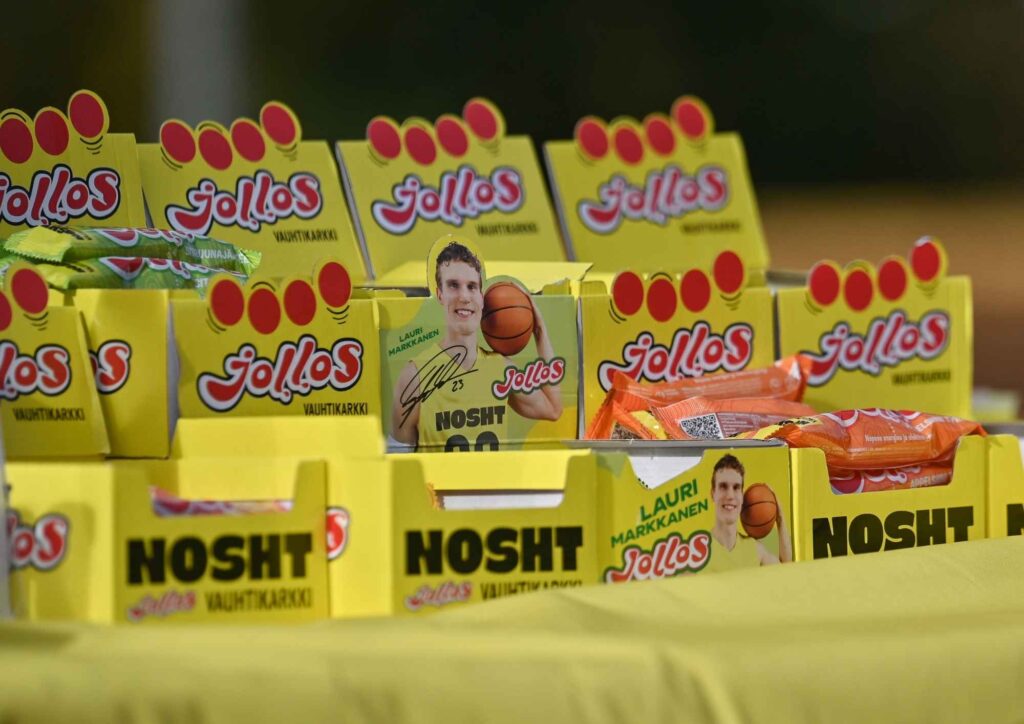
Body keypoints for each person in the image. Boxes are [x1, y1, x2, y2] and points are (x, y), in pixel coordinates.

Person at [390, 240, 563, 451]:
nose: (464, 297)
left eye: (472, 287)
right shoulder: (414, 376)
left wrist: (540, 330)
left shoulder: (501, 369)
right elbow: (399, 458)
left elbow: (553, 409)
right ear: (440, 294)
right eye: (453, 285)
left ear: (481, 297)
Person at [705, 454, 792, 571]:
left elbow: (787, 572)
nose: (730, 495)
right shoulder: (697, 552)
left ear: (742, 496)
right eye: (723, 487)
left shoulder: (754, 549)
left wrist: (780, 519)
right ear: (712, 493)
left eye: (736, 487)